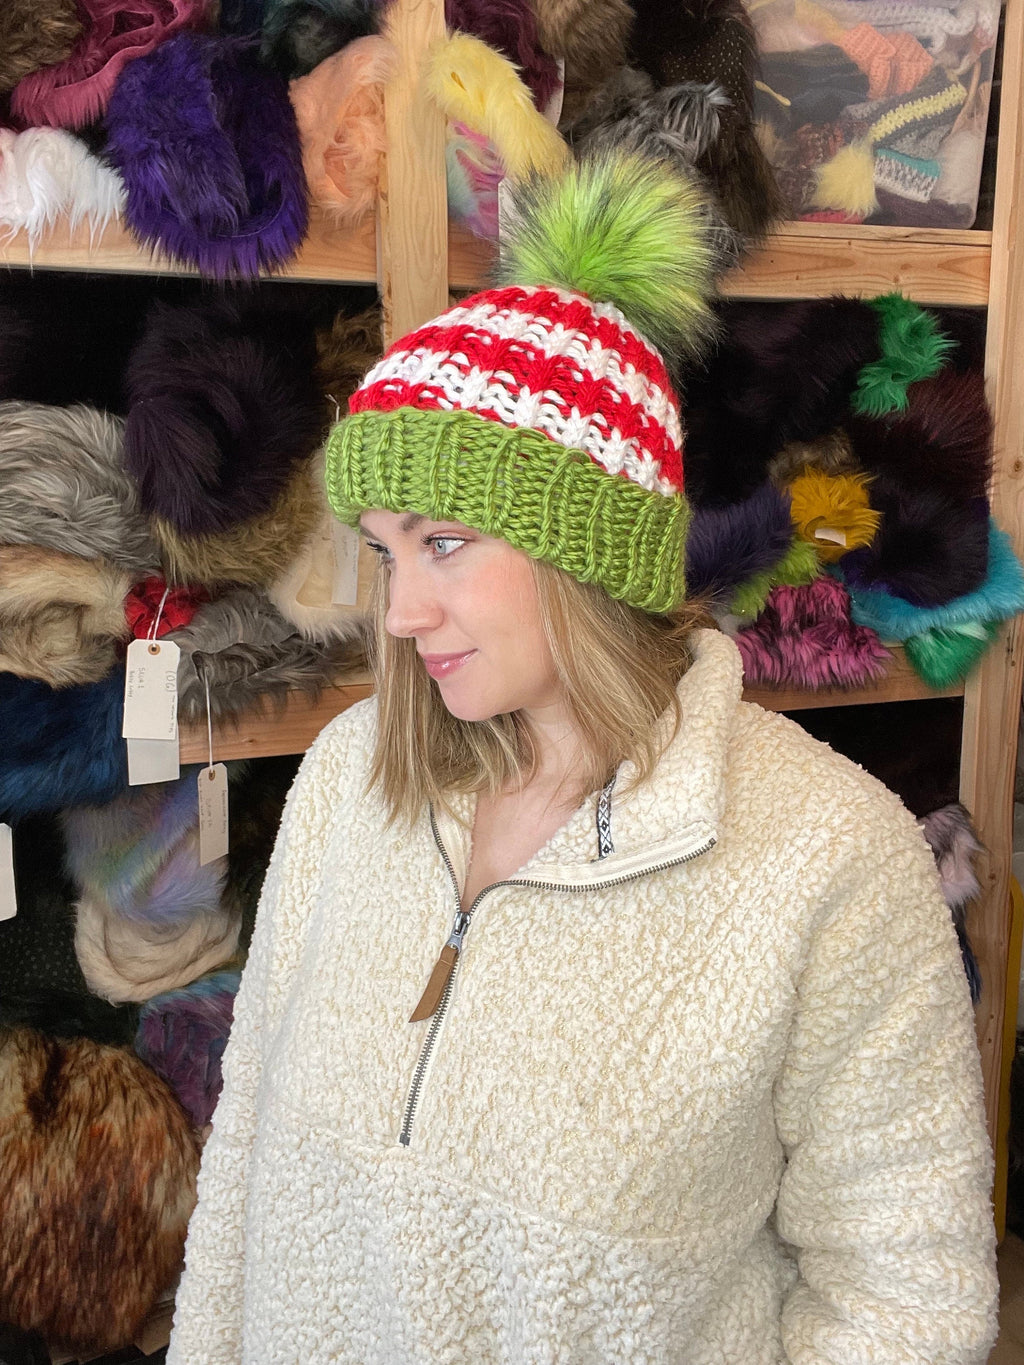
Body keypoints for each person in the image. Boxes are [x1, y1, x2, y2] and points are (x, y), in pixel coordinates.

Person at [167, 153, 998, 1365]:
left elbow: (903, 1304)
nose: (399, 613)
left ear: (588, 550)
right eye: (389, 552)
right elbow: (245, 1160)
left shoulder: (828, 860)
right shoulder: (352, 774)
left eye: (445, 543)